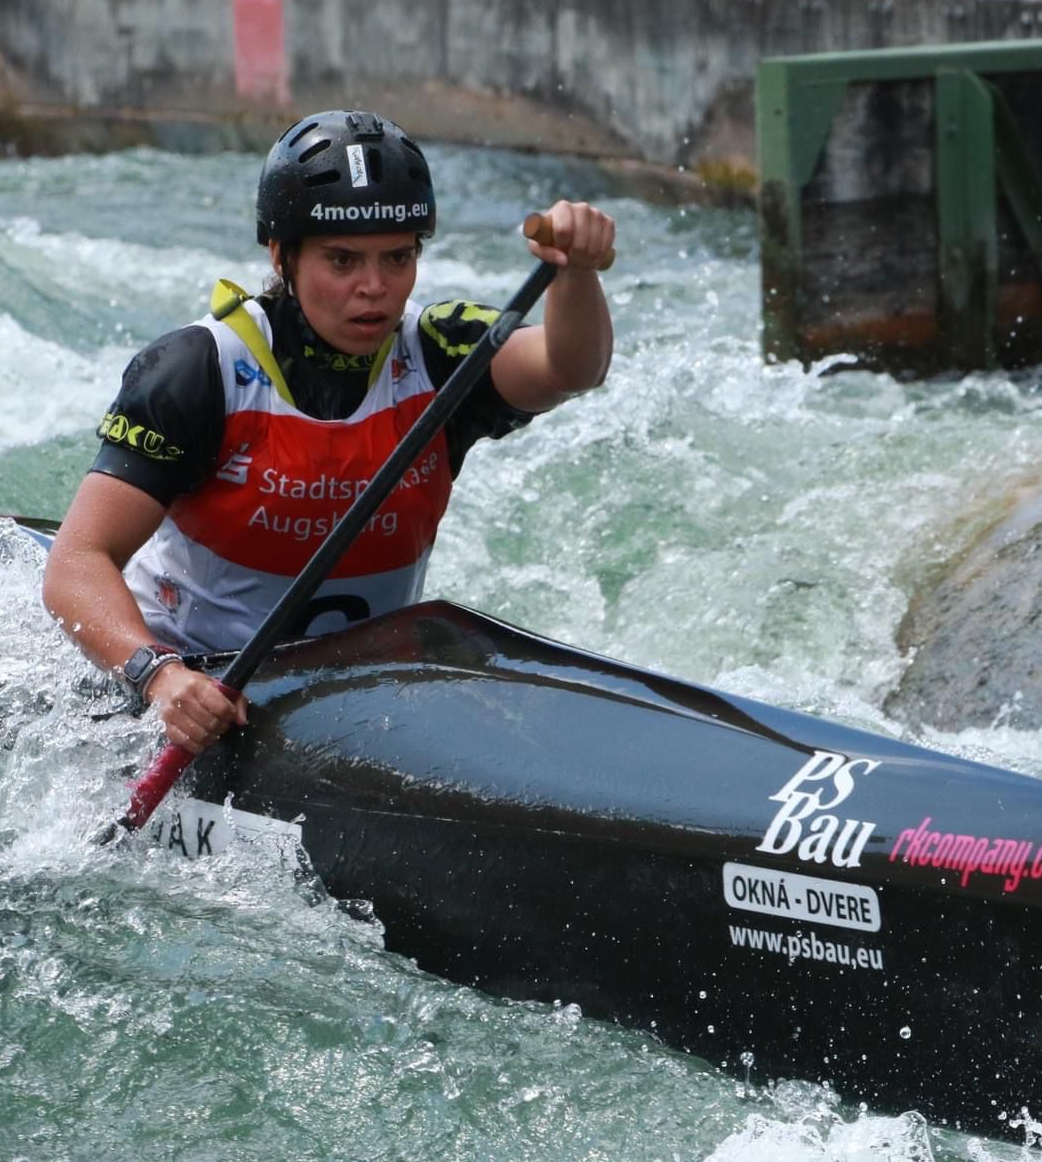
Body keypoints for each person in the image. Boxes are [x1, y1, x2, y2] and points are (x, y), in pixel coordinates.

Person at [42, 110, 615, 755]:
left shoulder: (441, 357)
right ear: (281, 256)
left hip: (361, 704)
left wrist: (576, 273)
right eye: (342, 260)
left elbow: (572, 367)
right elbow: (75, 564)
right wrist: (160, 677)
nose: (373, 287)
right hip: (193, 698)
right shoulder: (196, 372)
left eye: (398, 258)